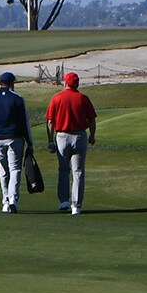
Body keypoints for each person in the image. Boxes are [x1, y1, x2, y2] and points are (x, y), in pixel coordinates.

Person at [0, 71, 33, 214]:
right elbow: (24, 122)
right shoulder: (18, 98)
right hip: (15, 138)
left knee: (4, 171)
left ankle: (5, 202)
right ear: (11, 83)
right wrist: (29, 141)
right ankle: (13, 199)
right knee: (15, 169)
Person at [45, 71, 96, 215]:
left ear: (65, 83)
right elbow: (92, 120)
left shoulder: (57, 98)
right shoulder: (83, 99)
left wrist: (50, 140)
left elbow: (50, 122)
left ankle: (64, 201)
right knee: (78, 172)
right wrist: (92, 135)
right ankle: (76, 206)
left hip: (62, 137)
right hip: (79, 136)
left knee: (63, 170)